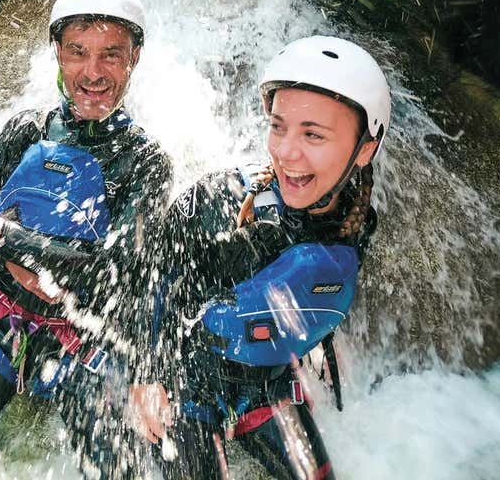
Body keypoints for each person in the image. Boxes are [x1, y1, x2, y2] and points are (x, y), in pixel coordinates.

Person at [128, 35, 391, 479]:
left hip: (269, 385)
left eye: (312, 134)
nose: (287, 152)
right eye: (278, 125)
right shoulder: (218, 200)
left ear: (364, 149)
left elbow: (313, 283)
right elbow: (150, 273)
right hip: (192, 383)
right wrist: (147, 374)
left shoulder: (357, 218)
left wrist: (326, 341)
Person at [0, 0, 173, 476]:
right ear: (58, 55)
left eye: (111, 54)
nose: (93, 72)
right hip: (1, 320)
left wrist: (7, 241)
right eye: (78, 52)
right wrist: (13, 259)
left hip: (84, 340)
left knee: (111, 464)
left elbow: (116, 266)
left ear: (134, 57)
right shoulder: (29, 128)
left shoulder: (146, 161)